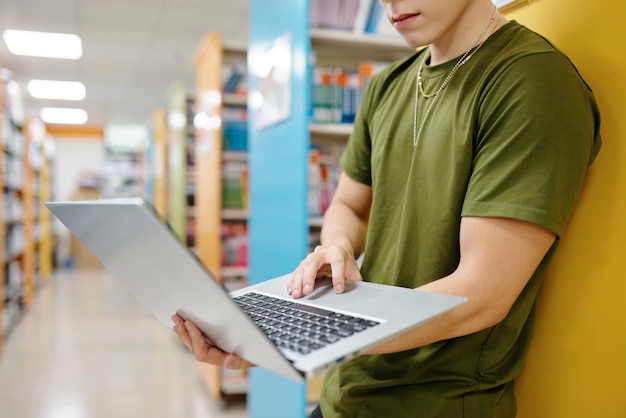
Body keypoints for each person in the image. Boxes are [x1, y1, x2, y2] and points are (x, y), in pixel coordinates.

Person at [173, 0, 602, 416]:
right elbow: (349, 206)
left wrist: (300, 333)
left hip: (436, 404)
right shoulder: (385, 86)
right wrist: (337, 248)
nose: (389, 3)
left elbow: (483, 294)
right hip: (349, 389)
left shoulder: (532, 80)